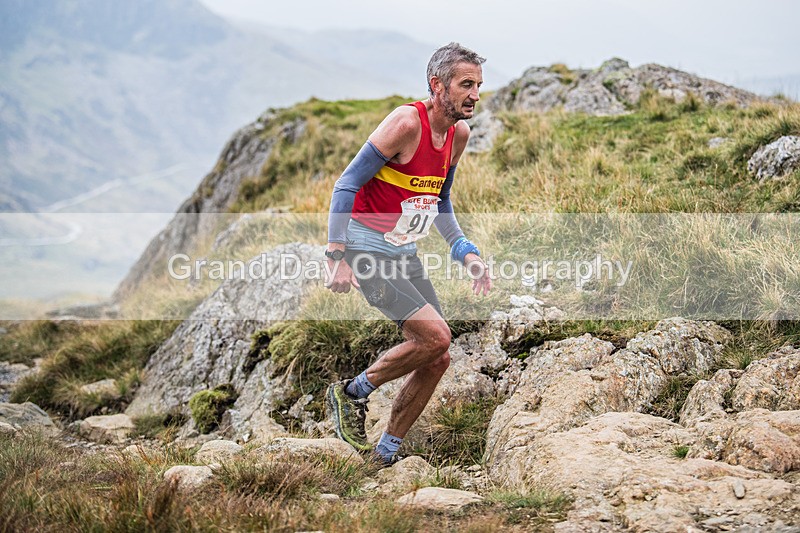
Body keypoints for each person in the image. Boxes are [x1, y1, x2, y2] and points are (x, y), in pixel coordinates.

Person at [323, 42, 492, 466]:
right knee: (436, 336)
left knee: (438, 355)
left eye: (478, 85)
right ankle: (352, 392)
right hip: (365, 249)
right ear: (437, 85)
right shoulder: (404, 123)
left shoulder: (459, 135)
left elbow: (440, 201)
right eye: (465, 85)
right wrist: (336, 255)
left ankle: (384, 454)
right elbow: (346, 184)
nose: (475, 95)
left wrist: (465, 251)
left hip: (403, 251)